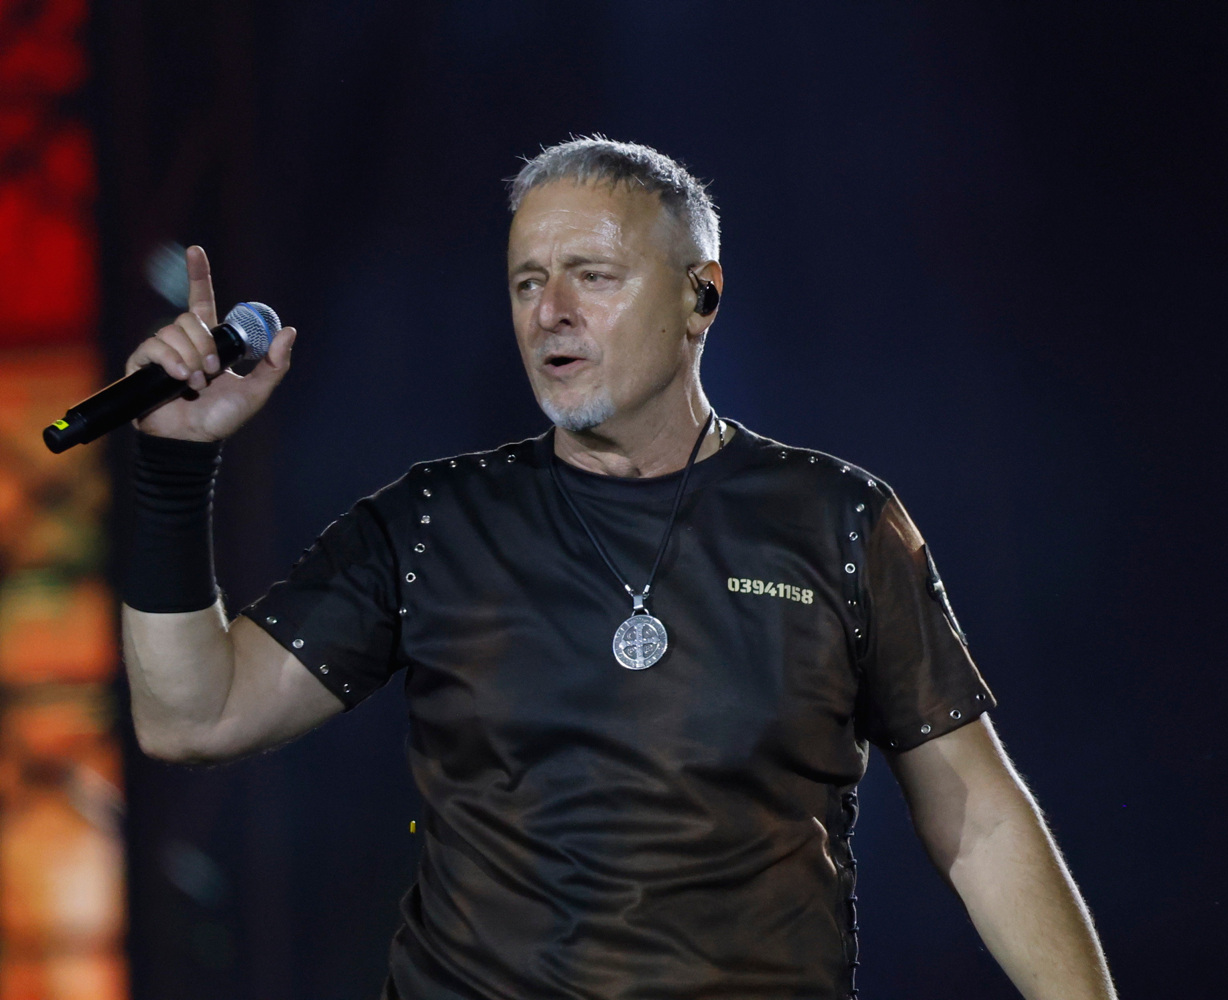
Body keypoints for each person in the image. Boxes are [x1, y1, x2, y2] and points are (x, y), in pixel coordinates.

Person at [120, 137, 1117, 1000]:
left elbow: (979, 817)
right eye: (526, 281)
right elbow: (192, 716)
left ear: (701, 296)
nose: (550, 311)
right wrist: (172, 469)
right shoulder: (433, 523)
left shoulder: (836, 521)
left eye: (591, 276)